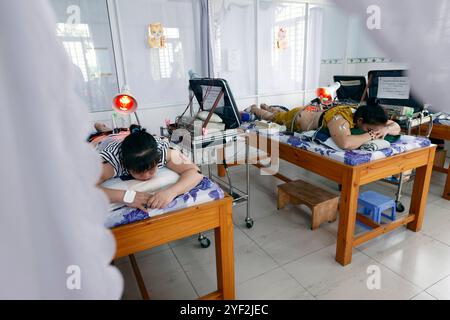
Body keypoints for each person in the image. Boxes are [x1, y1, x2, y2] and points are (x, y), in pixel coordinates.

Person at [91, 123, 203, 211]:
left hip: (132, 138)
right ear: (125, 165)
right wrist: (126, 196)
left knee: (122, 132)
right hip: (106, 141)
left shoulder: (162, 152)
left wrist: (171, 192)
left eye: (151, 170)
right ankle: (102, 127)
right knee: (105, 135)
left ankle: (107, 128)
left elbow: (195, 172)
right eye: (138, 172)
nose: (145, 176)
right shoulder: (112, 163)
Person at [247, 98, 401, 150]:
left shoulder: (372, 117)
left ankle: (269, 107)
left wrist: (386, 130)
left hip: (310, 111)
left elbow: (396, 127)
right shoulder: (340, 118)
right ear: (360, 121)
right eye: (370, 129)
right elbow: (345, 143)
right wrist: (371, 135)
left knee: (277, 112)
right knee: (275, 117)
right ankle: (256, 108)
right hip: (299, 118)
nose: (374, 132)